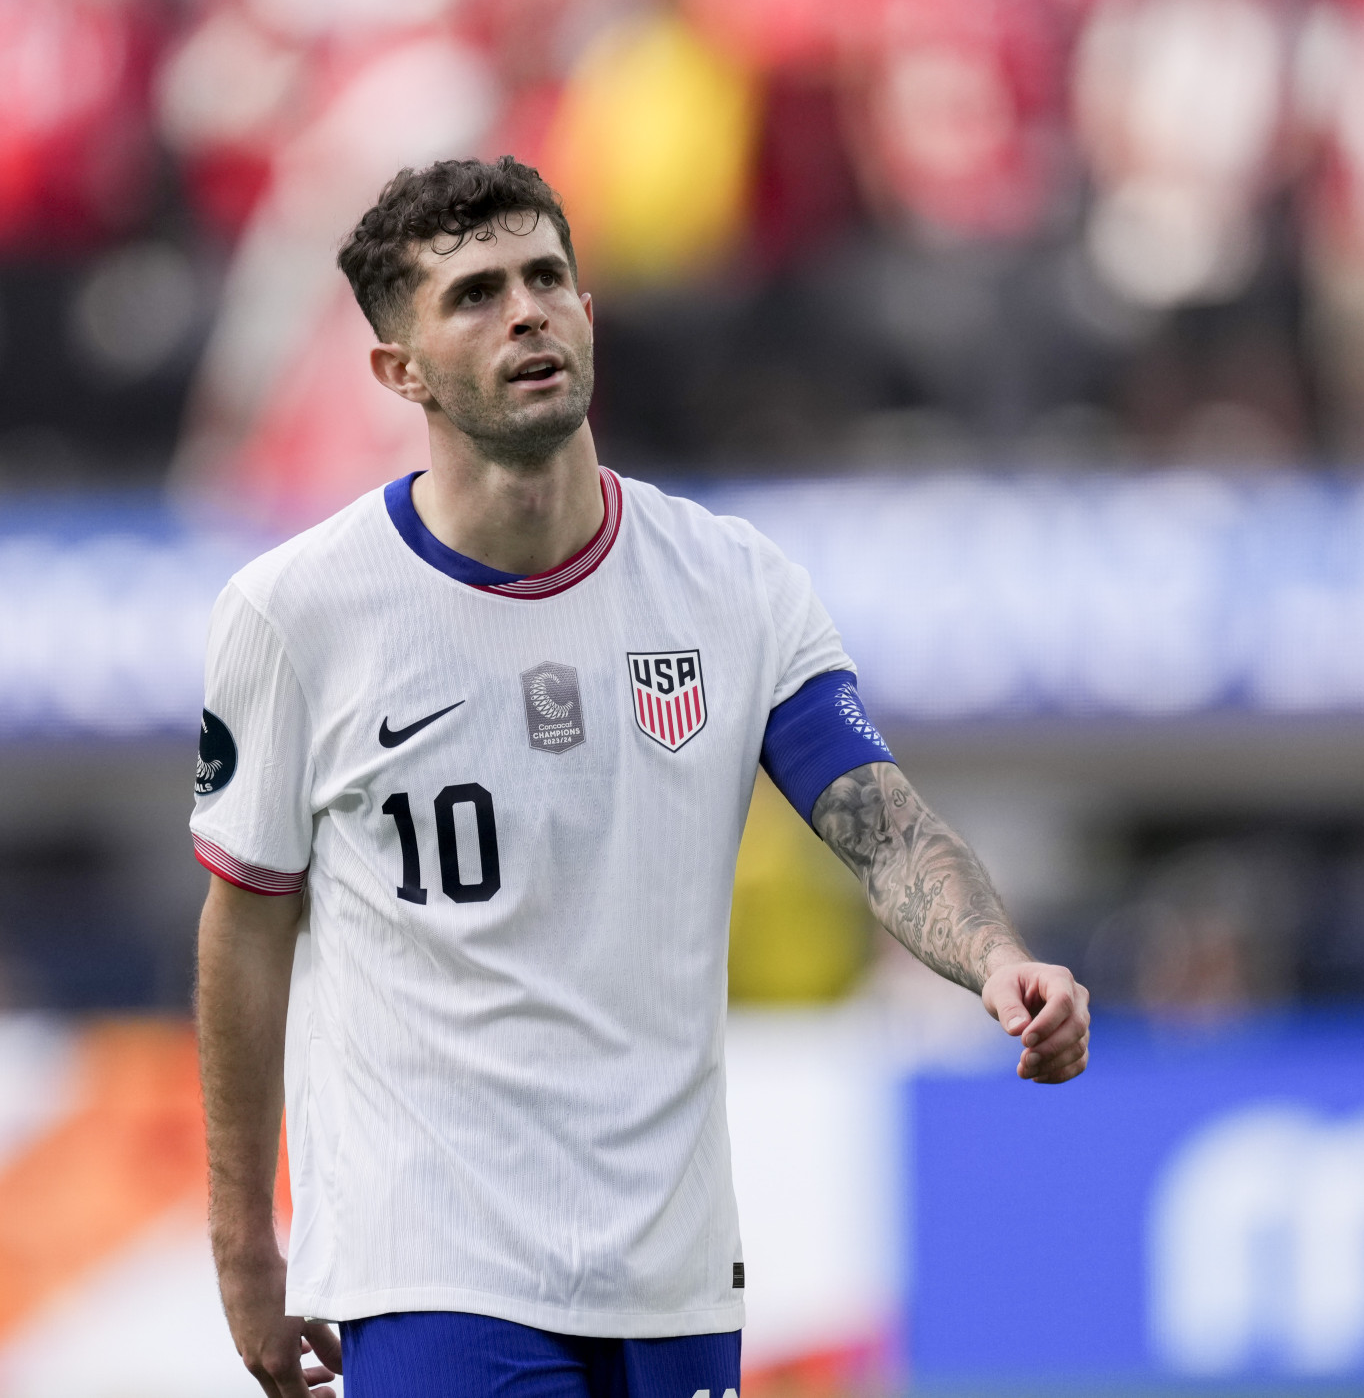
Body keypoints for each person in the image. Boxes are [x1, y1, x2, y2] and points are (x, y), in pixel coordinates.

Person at [192, 156, 1089, 1398]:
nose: (526, 312)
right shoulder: (299, 612)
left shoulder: (732, 582)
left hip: (669, 1268)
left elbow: (876, 819)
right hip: (433, 1261)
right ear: (399, 370)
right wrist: (244, 1242)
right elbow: (246, 928)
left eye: (546, 276)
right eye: (473, 294)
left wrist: (995, 955)